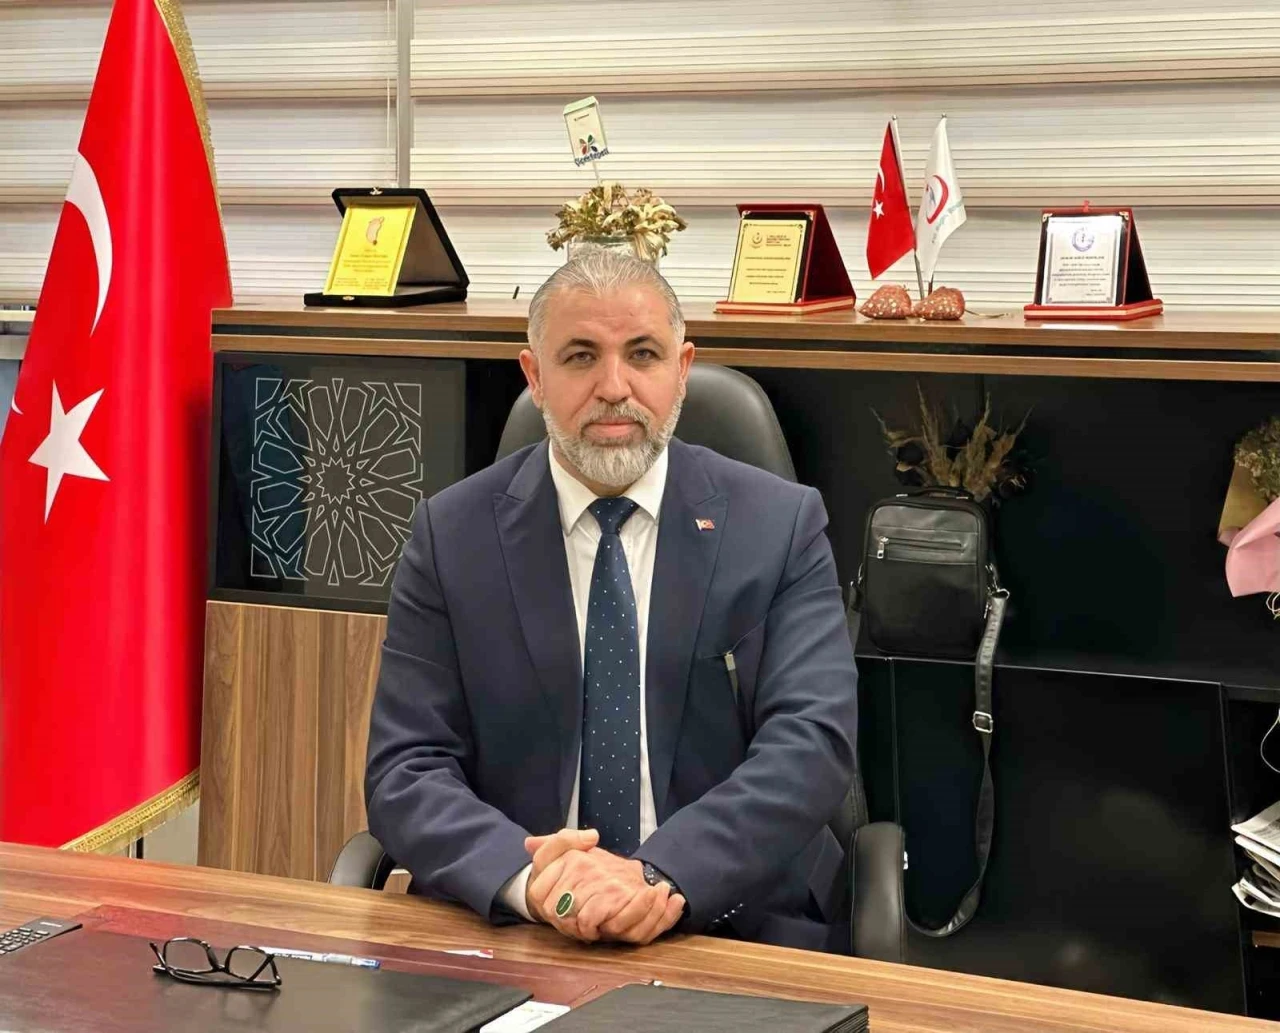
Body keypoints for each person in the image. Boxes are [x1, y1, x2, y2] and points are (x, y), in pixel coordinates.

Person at [365, 248, 858, 951]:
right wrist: (530, 880)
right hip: (520, 926)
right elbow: (406, 768)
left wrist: (657, 875)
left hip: (732, 923)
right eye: (580, 357)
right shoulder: (452, 536)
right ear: (534, 376)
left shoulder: (779, 526)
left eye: (643, 354)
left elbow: (810, 747)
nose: (614, 387)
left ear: (682, 369)